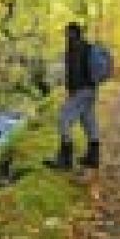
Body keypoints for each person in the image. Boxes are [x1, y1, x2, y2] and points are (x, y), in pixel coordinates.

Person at [45, 23, 99, 169]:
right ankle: (93, 157)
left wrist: (72, 91)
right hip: (91, 90)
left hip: (81, 91)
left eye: (67, 32)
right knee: (88, 120)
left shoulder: (74, 48)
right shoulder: (87, 46)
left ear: (73, 33)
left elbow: (74, 72)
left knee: (63, 118)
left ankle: (65, 159)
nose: (65, 35)